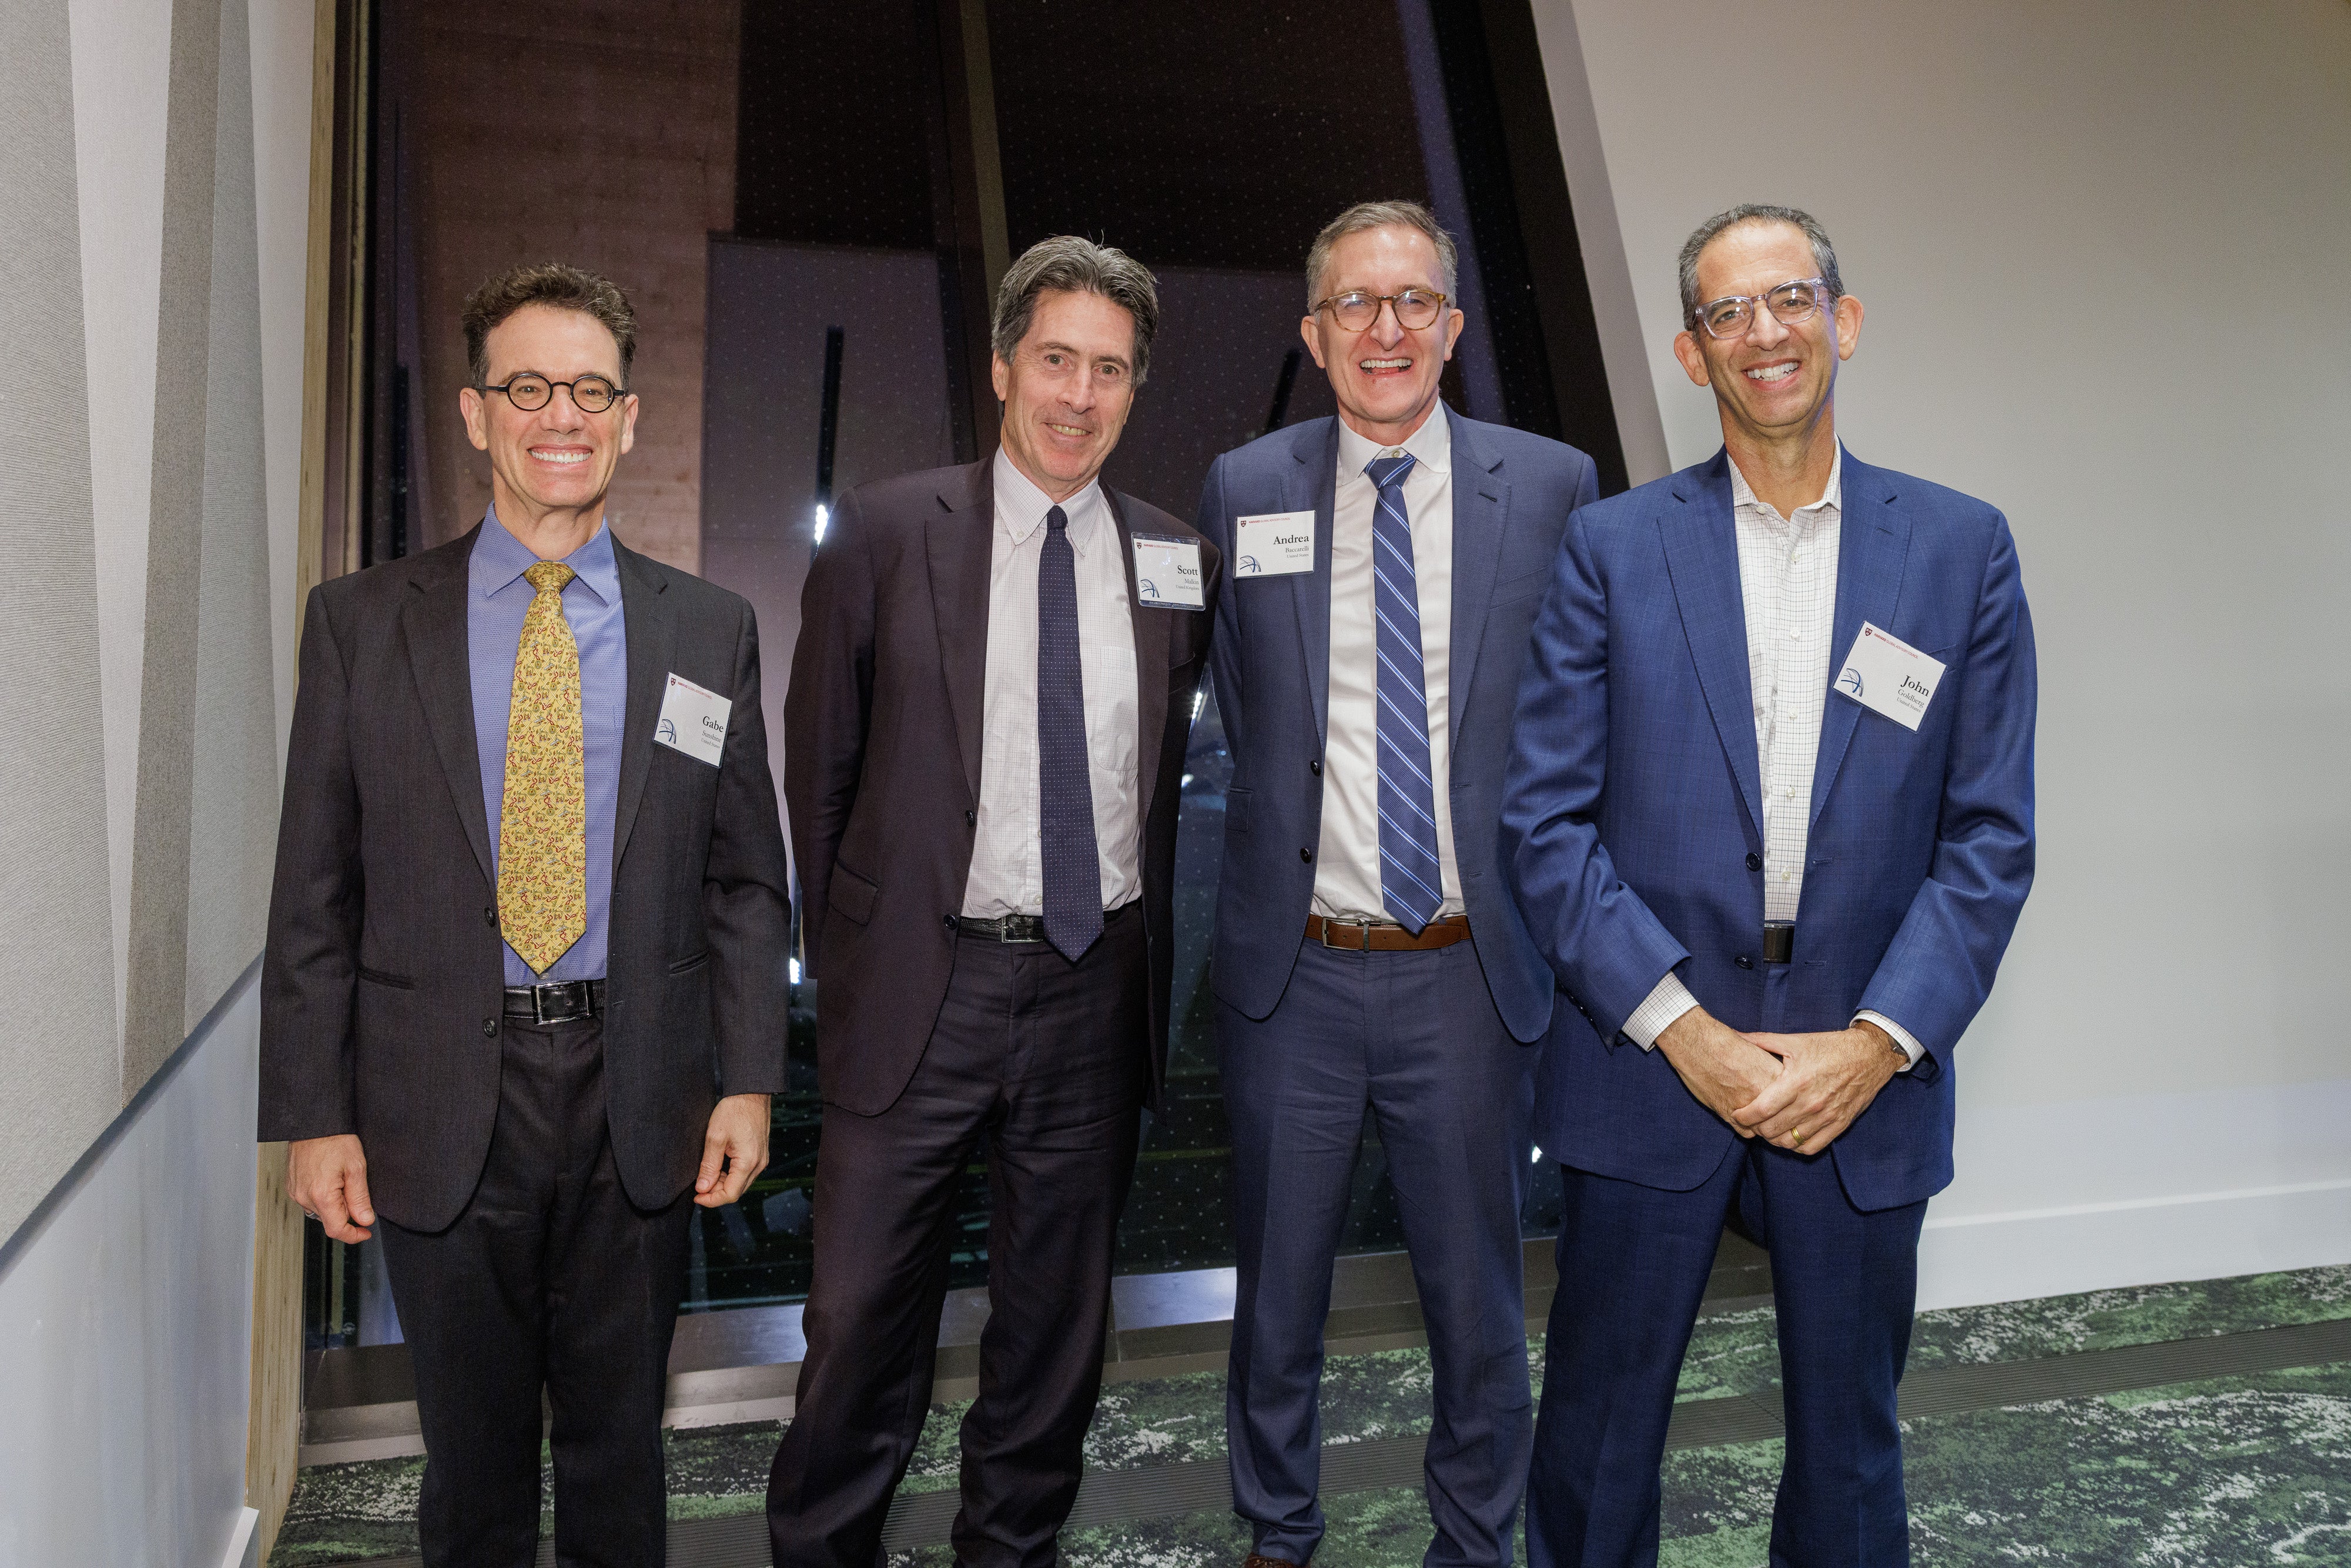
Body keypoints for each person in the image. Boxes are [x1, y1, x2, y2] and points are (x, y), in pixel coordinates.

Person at [1502, 204, 2038, 1568]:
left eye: (1787, 298)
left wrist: (1873, 1044)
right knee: (1595, 1442)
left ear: (1841, 322)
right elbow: (1545, 823)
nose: (1762, 333)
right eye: (1726, 313)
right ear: (1691, 354)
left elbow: (1986, 838)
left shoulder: (1958, 548)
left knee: (1850, 1452)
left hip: (1862, 1076)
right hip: (1648, 1071)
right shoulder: (1612, 548)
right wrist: (1684, 1029)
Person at [259, 262, 792, 1567]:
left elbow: (741, 880)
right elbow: (315, 889)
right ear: (475, 411)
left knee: (620, 1448)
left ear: (628, 418)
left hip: (641, 1088)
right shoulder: (360, 624)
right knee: (475, 1460)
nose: (561, 413)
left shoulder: (708, 629)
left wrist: (751, 1080)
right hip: (439, 1097)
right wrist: (313, 1112)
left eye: (590, 389)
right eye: (529, 386)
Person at [768, 235, 1221, 1568]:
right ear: (1003, 366)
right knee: (857, 1316)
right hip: (924, 983)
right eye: (1056, 360)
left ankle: (1010, 1550)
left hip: (1094, 987)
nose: (1078, 395)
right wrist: (848, 967)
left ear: (1134, 390)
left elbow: (1177, 771)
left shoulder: (1173, 558)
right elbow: (821, 767)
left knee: (1053, 1329)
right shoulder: (890, 528)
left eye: (1110, 371)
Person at [1195, 200, 1598, 1568]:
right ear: (1313, 334)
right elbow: (1253, 719)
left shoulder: (1548, 484)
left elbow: (1571, 716)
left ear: (1452, 326)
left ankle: (1475, 1540)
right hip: (1296, 967)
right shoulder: (1244, 487)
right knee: (1278, 1295)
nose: (1385, 329)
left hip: (1466, 967)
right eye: (1354, 305)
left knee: (1476, 1299)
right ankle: (1276, 1530)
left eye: (1412, 301)